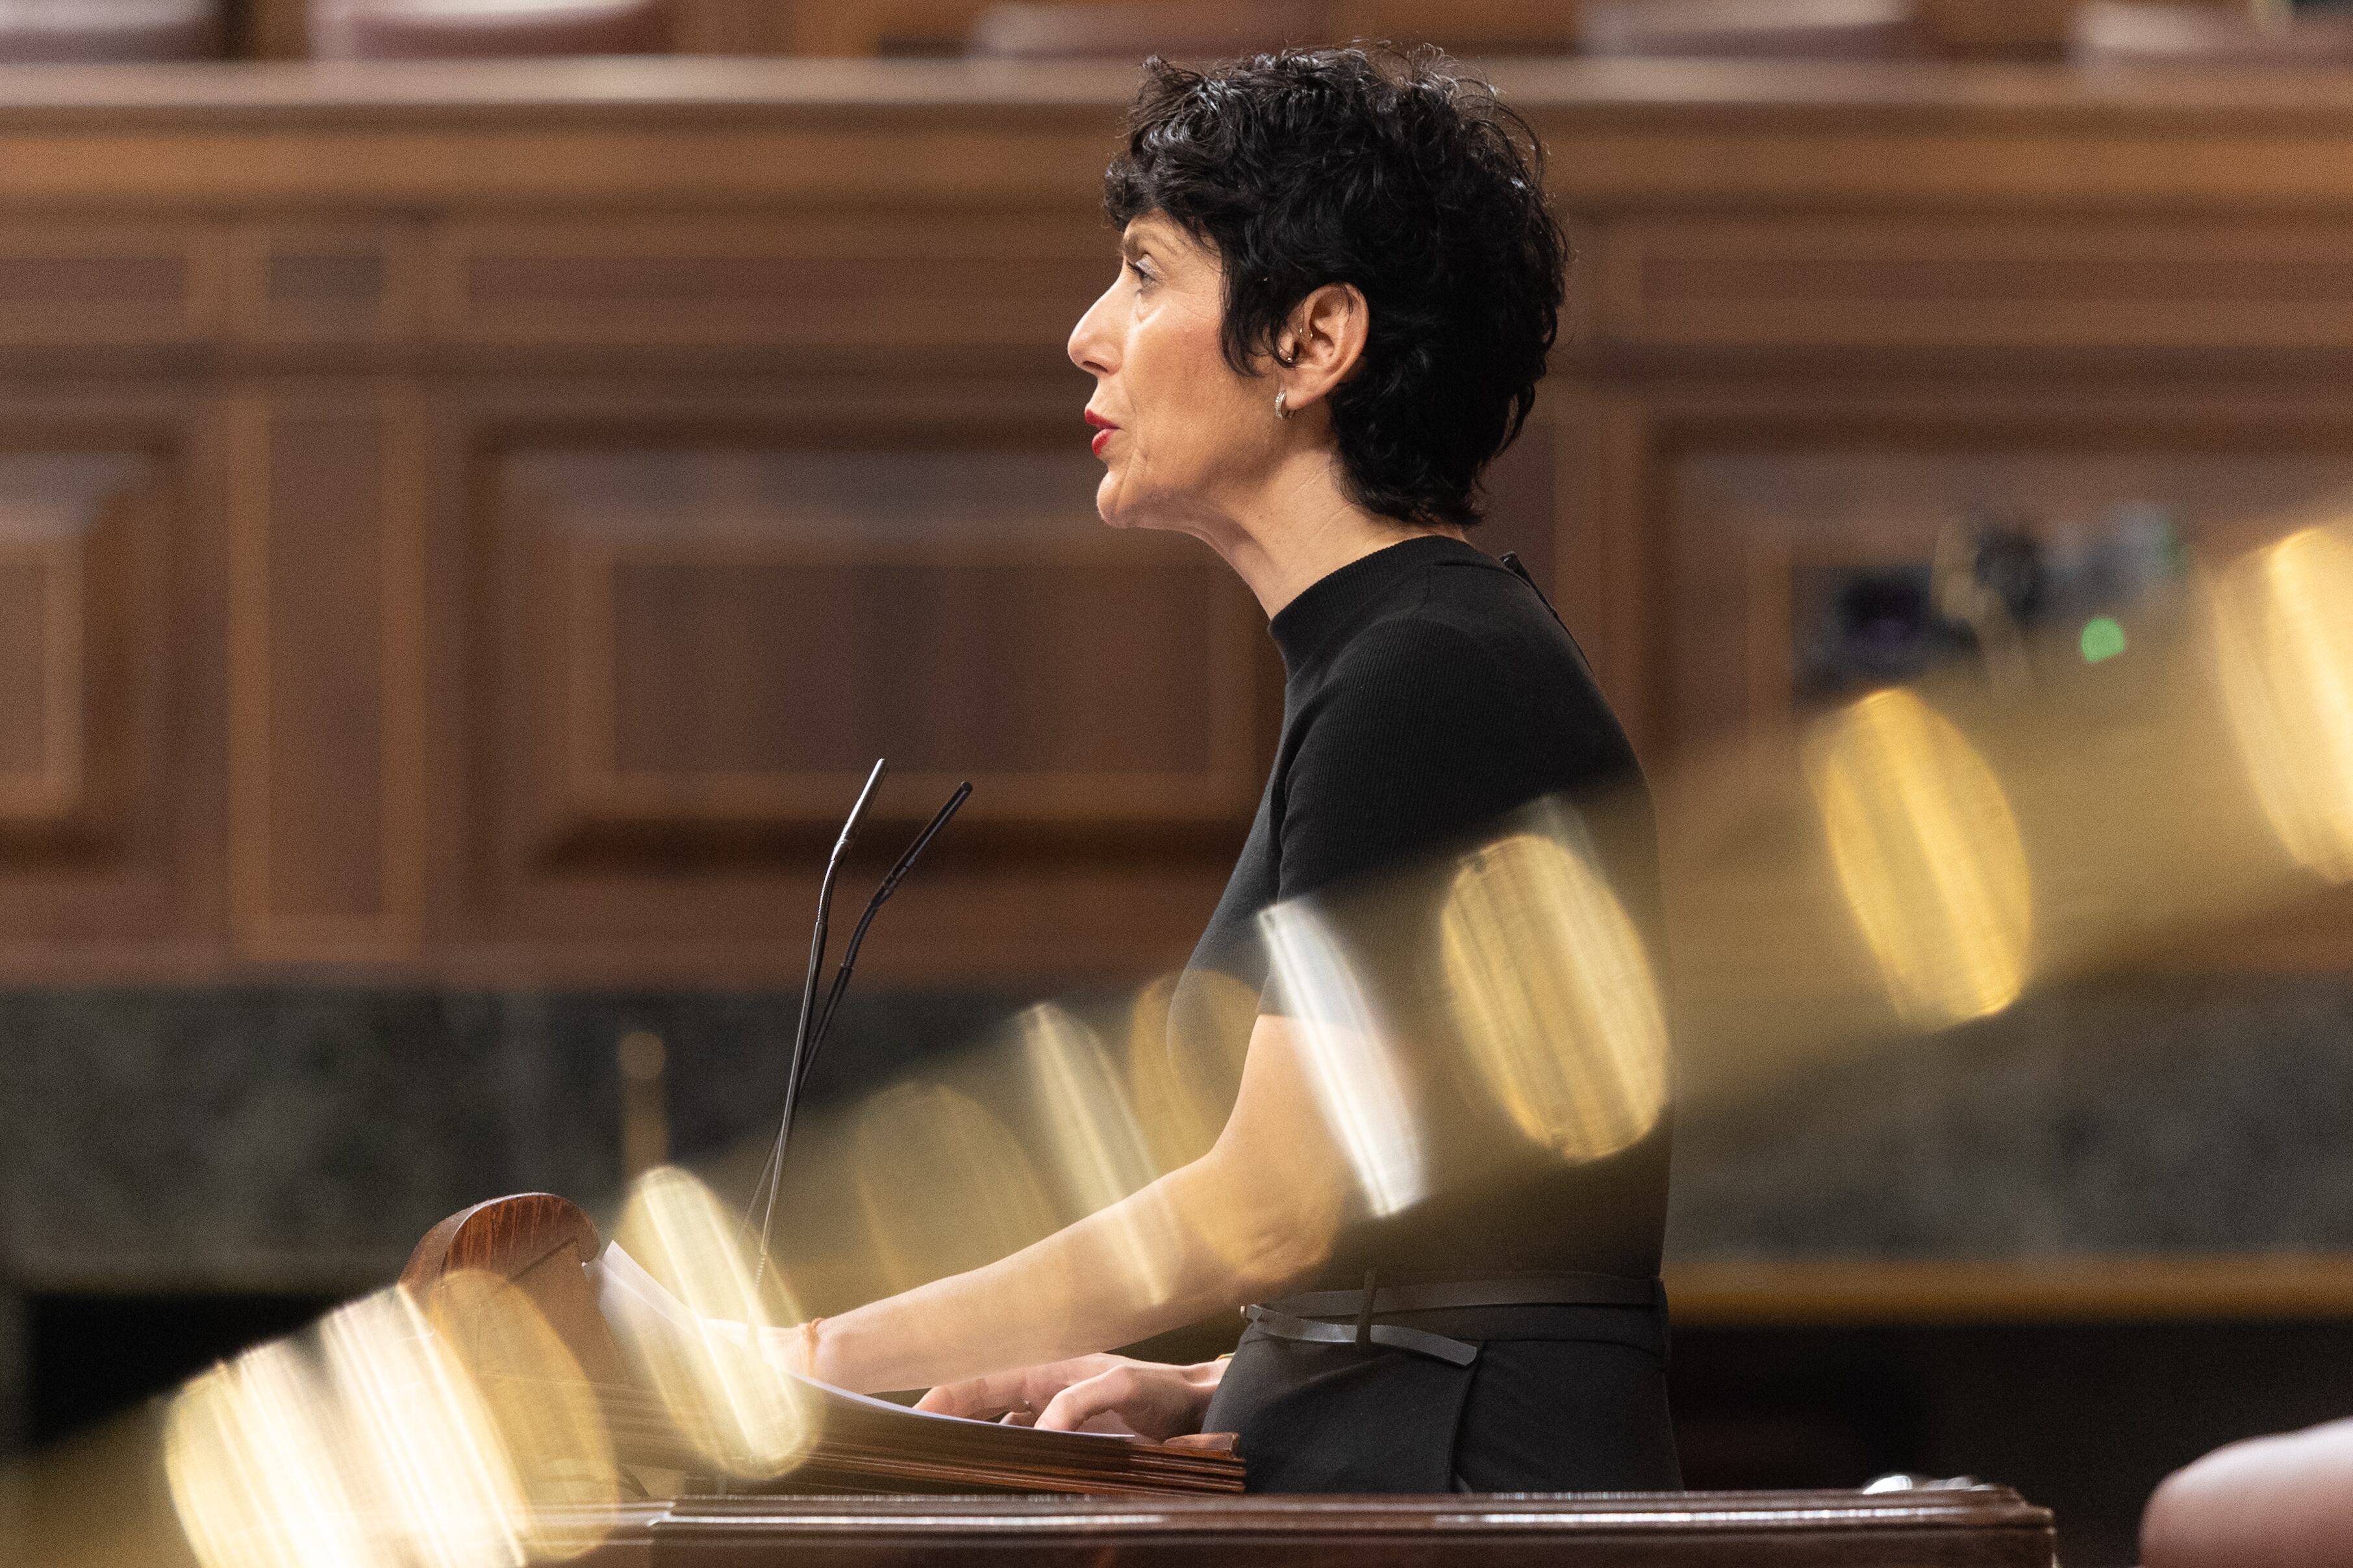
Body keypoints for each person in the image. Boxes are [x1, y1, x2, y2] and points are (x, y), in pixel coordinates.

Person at [766, 44, 1678, 1493]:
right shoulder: (1410, 655)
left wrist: (801, 1358)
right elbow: (1447, 1239)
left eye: (1144, 274)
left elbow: (1272, 1209)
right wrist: (1208, 1379)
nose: (1088, 334)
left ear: (1313, 342)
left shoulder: (1431, 674)